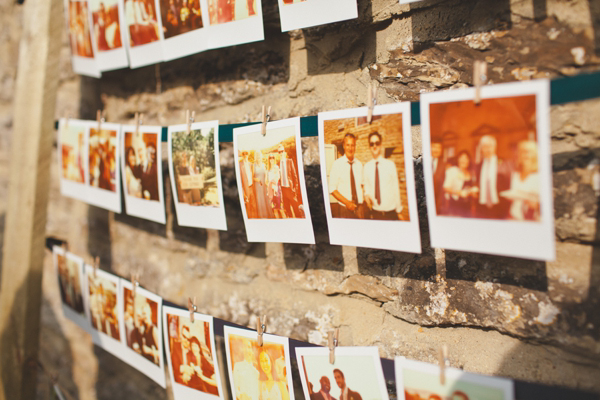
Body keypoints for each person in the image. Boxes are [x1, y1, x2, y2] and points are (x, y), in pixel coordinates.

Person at [363, 132, 403, 220]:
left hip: (391, 213)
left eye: (377, 143)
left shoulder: (390, 165)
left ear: (380, 145)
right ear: (369, 146)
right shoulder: (367, 167)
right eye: (371, 144)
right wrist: (366, 195)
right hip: (375, 213)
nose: (374, 146)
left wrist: (399, 211)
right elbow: (367, 187)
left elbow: (395, 188)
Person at [475, 135, 511, 219]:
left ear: (495, 147)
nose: (488, 149)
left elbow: (509, 183)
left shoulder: (505, 164)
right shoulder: (478, 166)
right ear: (481, 149)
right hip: (482, 206)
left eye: (490, 146)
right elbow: (477, 183)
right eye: (485, 147)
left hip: (500, 205)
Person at [328, 134, 364, 219]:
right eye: (348, 145)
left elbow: (362, 185)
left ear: (355, 146)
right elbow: (332, 188)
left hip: (360, 208)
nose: (350, 148)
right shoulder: (337, 164)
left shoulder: (359, 164)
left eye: (352, 145)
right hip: (344, 208)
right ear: (344, 146)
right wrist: (347, 203)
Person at [506, 140, 540, 221]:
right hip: (513, 217)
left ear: (535, 154)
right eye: (522, 152)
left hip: (531, 219)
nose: (525, 154)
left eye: (528, 152)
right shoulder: (515, 174)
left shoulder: (539, 175)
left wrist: (537, 205)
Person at [443, 150, 478, 217]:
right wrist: (460, 193)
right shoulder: (452, 170)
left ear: (469, 161)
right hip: (455, 205)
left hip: (468, 206)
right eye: (461, 158)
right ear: (458, 160)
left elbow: (472, 188)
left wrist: (473, 192)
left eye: (465, 158)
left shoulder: (472, 173)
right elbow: (446, 188)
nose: (463, 160)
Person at [277, 145, 301, 218]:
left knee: (296, 210)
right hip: (283, 189)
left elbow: (295, 177)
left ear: (284, 152)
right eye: (279, 152)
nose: (281, 153)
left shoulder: (289, 161)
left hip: (290, 189)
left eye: (282, 151)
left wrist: (295, 189)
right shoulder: (277, 164)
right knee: (287, 210)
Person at [239, 151, 257, 218]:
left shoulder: (250, 164)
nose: (245, 155)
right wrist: (243, 191)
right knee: (248, 206)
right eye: (243, 154)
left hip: (252, 187)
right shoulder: (240, 165)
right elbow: (240, 179)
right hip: (246, 189)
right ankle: (249, 220)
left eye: (246, 154)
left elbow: (253, 175)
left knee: (254, 205)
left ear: (248, 155)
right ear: (242, 155)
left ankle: (255, 220)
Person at [431, 140, 447, 214]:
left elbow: (441, 188)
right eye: (434, 147)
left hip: (435, 202)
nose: (436, 150)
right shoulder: (421, 162)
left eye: (439, 148)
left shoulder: (443, 165)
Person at [267, 154, 284, 218]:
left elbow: (278, 177)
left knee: (280, 208)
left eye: (273, 158)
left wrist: (274, 187)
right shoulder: (268, 168)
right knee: (274, 209)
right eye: (270, 158)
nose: (271, 159)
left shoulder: (276, 167)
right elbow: (268, 179)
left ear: (274, 159)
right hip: (270, 189)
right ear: (268, 160)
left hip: (276, 188)